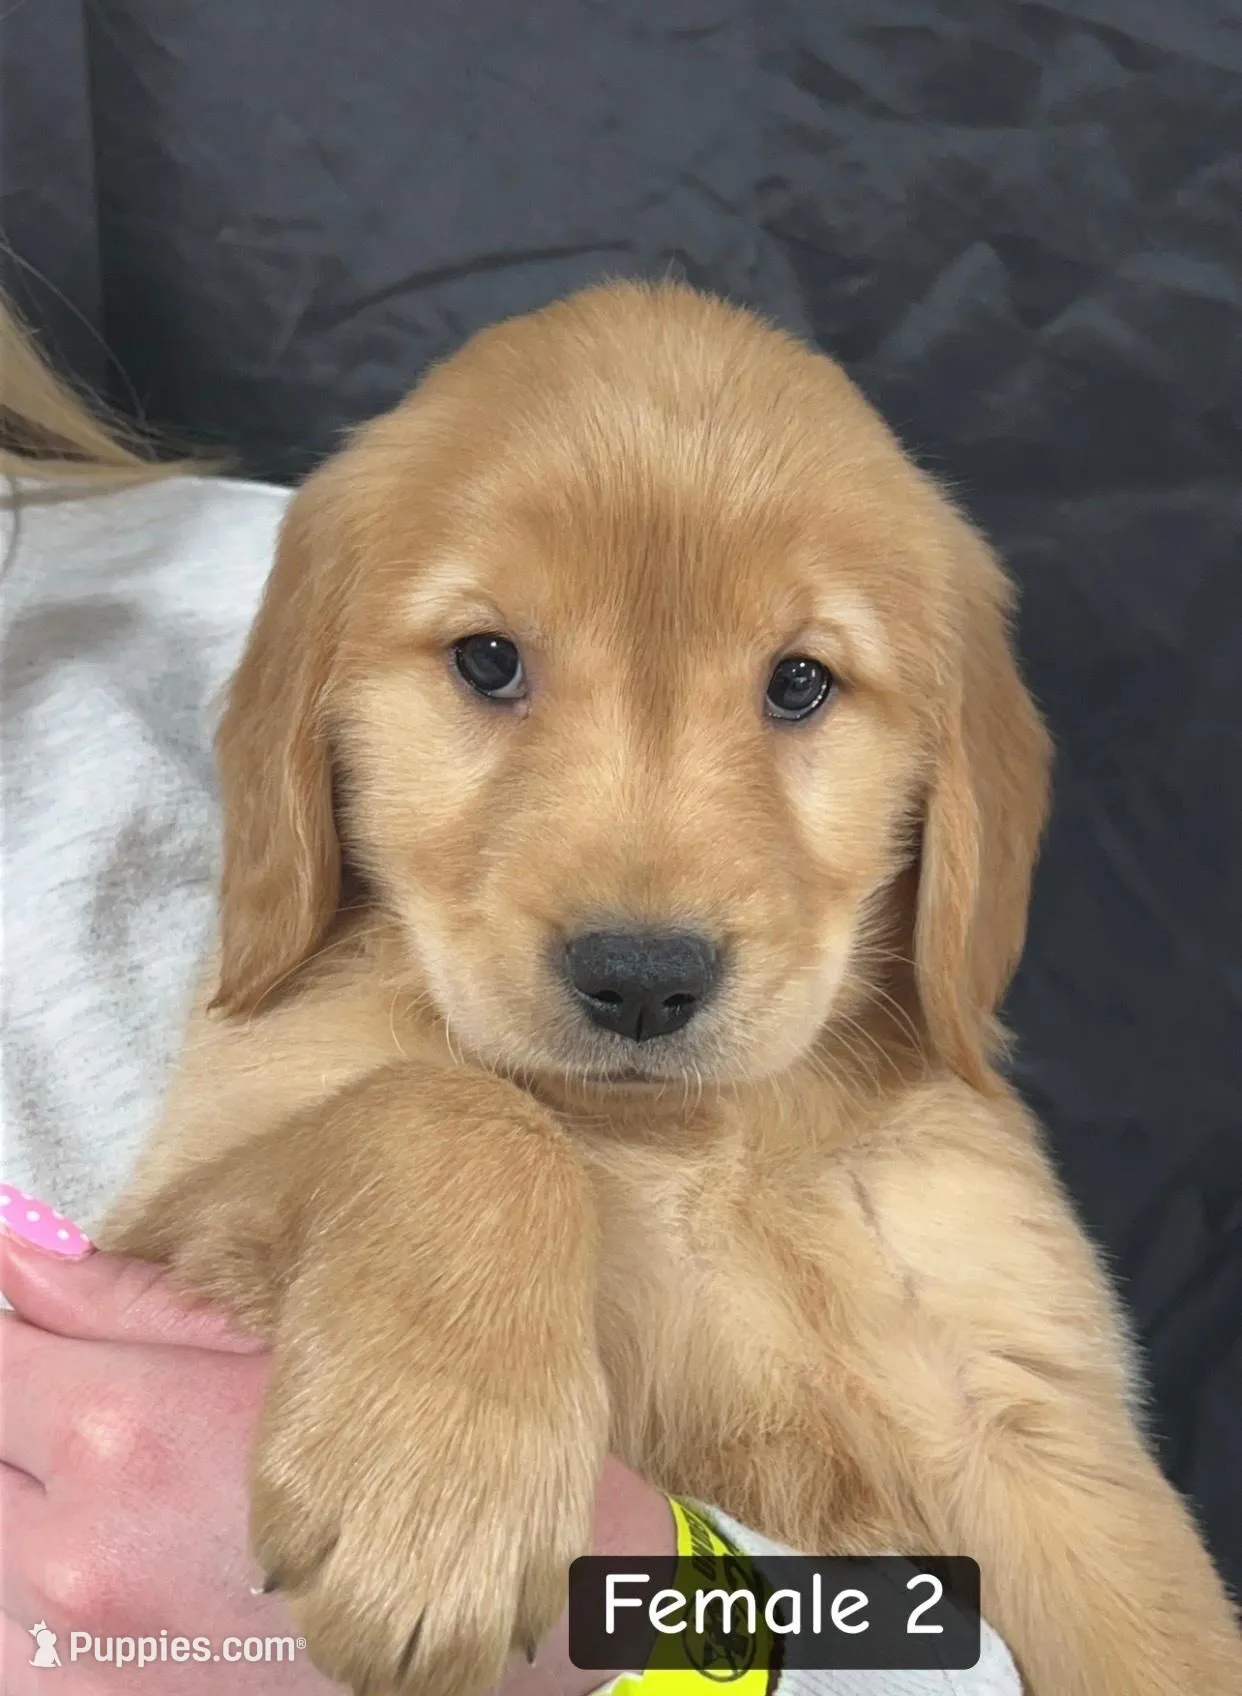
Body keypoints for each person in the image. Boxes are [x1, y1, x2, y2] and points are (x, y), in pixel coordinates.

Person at [0, 298, 1022, 1694]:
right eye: (492, 670)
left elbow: (948, 1663)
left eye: (796, 685)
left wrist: (639, 1606)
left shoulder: (225, 598)